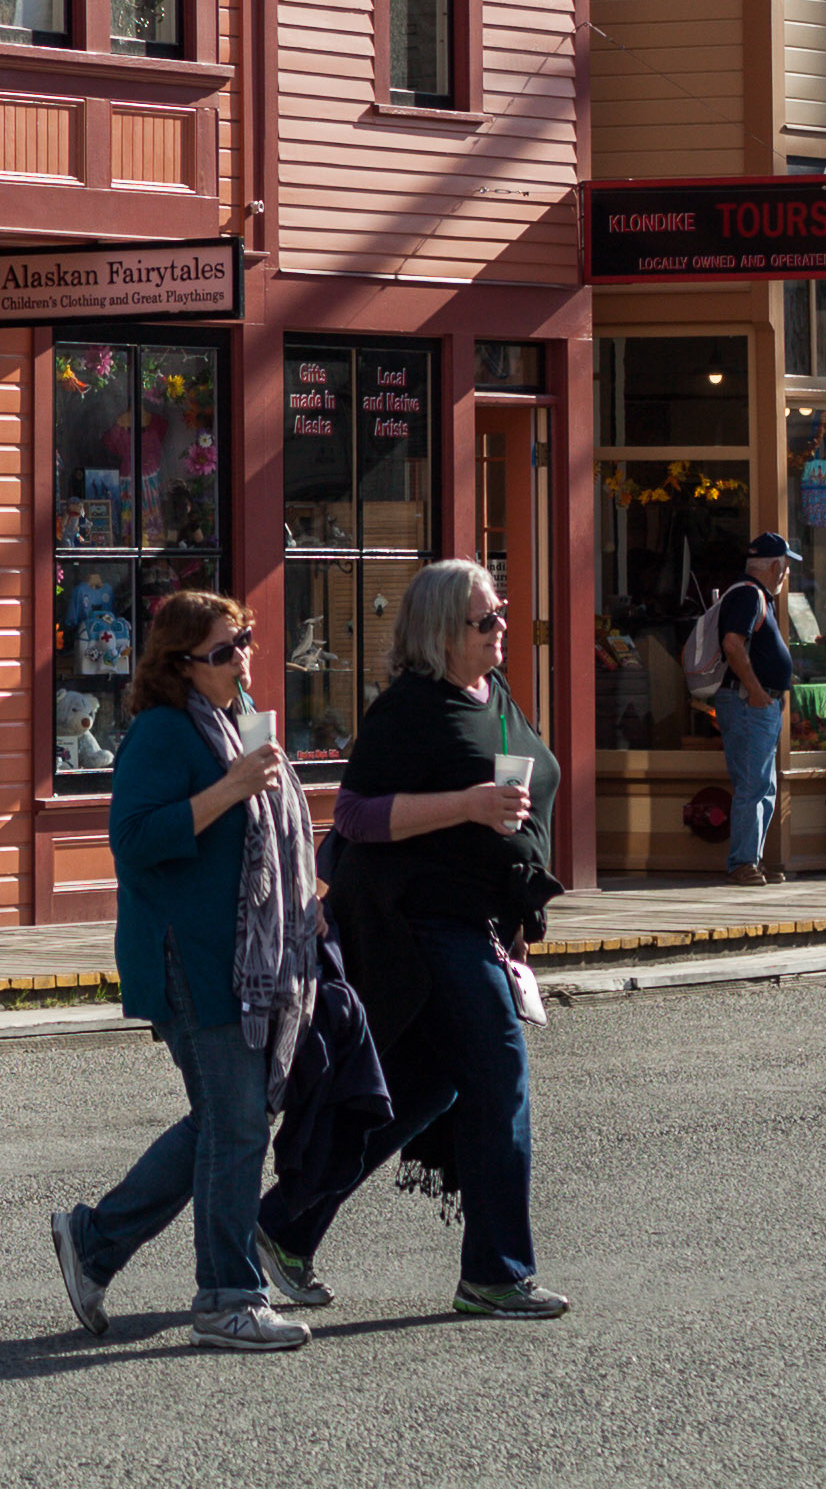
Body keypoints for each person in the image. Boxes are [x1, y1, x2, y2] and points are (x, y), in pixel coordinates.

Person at [262, 558, 566, 1322]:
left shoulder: (492, 693)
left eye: (501, 612)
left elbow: (523, 802)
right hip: (420, 923)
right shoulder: (409, 708)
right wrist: (465, 804)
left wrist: (520, 915)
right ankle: (496, 1273)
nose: (502, 628)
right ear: (440, 631)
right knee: (501, 1080)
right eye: (484, 620)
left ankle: (282, 1224)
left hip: (483, 921)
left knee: (422, 1089)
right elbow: (358, 817)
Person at [43, 591, 313, 1352]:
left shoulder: (233, 724)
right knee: (235, 1127)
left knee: (222, 1125)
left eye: (248, 642)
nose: (243, 659)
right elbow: (132, 839)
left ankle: (95, 1242)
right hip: (190, 957)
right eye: (224, 650)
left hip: (241, 958)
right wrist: (229, 789)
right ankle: (228, 1296)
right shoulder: (163, 733)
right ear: (179, 664)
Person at [690, 532, 805, 885]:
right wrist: (757, 692)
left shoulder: (752, 595)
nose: (786, 576)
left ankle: (751, 859)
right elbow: (733, 645)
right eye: (785, 568)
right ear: (776, 566)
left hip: (755, 703)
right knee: (753, 785)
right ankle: (742, 863)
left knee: (763, 785)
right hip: (746, 702)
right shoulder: (748, 595)